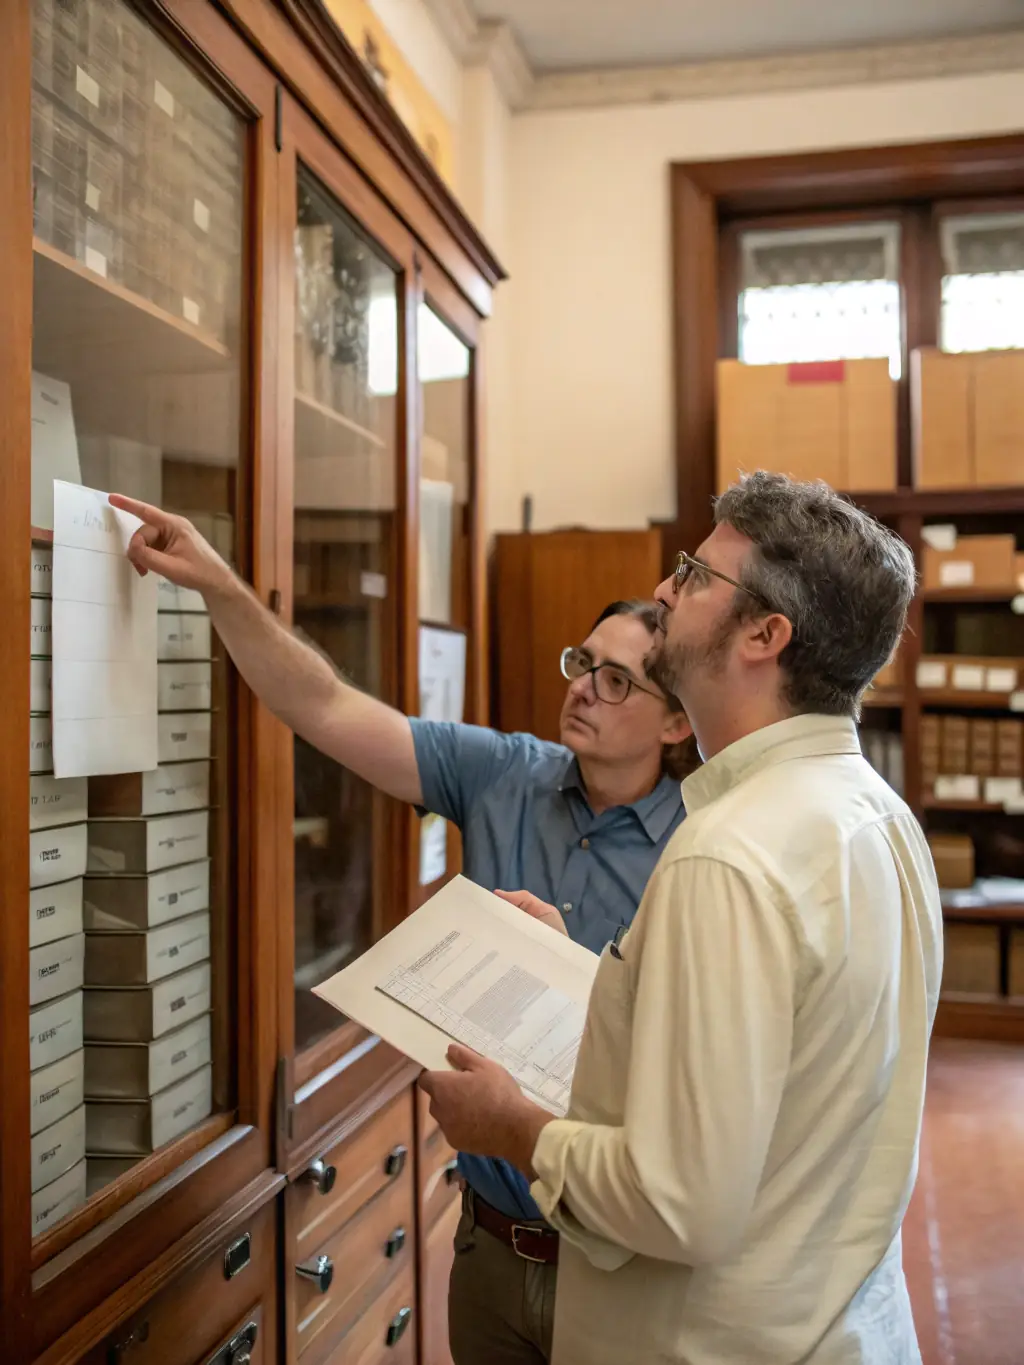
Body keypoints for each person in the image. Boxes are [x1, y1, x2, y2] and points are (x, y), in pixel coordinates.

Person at [108, 492, 695, 1365]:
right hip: (491, 1247)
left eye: (617, 680)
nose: (583, 687)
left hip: (618, 1268)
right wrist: (221, 587)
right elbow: (327, 708)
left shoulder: (699, 848)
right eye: (584, 661)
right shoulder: (507, 772)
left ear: (677, 721)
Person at [420, 471, 944, 1365]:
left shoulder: (723, 852)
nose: (664, 593)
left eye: (696, 576)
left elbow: (675, 1202)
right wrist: (591, 987)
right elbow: (775, 1076)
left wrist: (509, 1126)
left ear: (764, 634)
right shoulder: (879, 815)